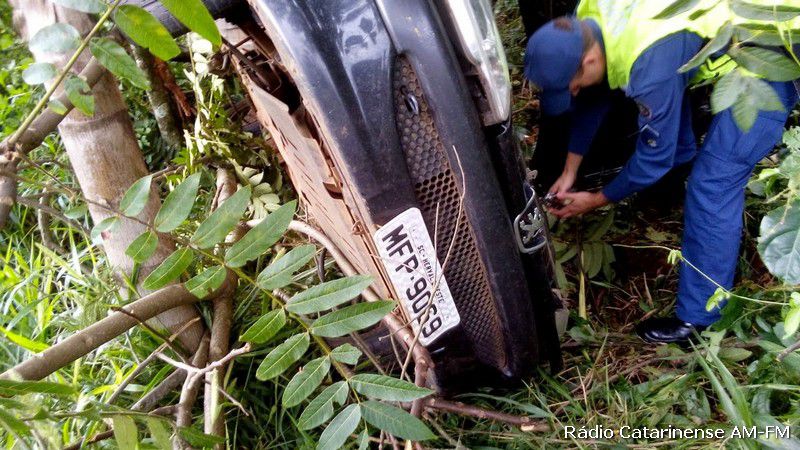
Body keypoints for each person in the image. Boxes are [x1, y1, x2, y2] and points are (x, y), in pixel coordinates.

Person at [524, 1, 799, 344]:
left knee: (713, 183)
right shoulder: (588, 18)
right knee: (672, 136)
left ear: (590, 60)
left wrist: (597, 199)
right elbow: (595, 96)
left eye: (573, 85)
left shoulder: (650, 61)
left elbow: (654, 157)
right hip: (726, 31)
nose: (574, 91)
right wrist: (570, 170)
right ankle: (678, 197)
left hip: (774, 49)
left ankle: (700, 320)